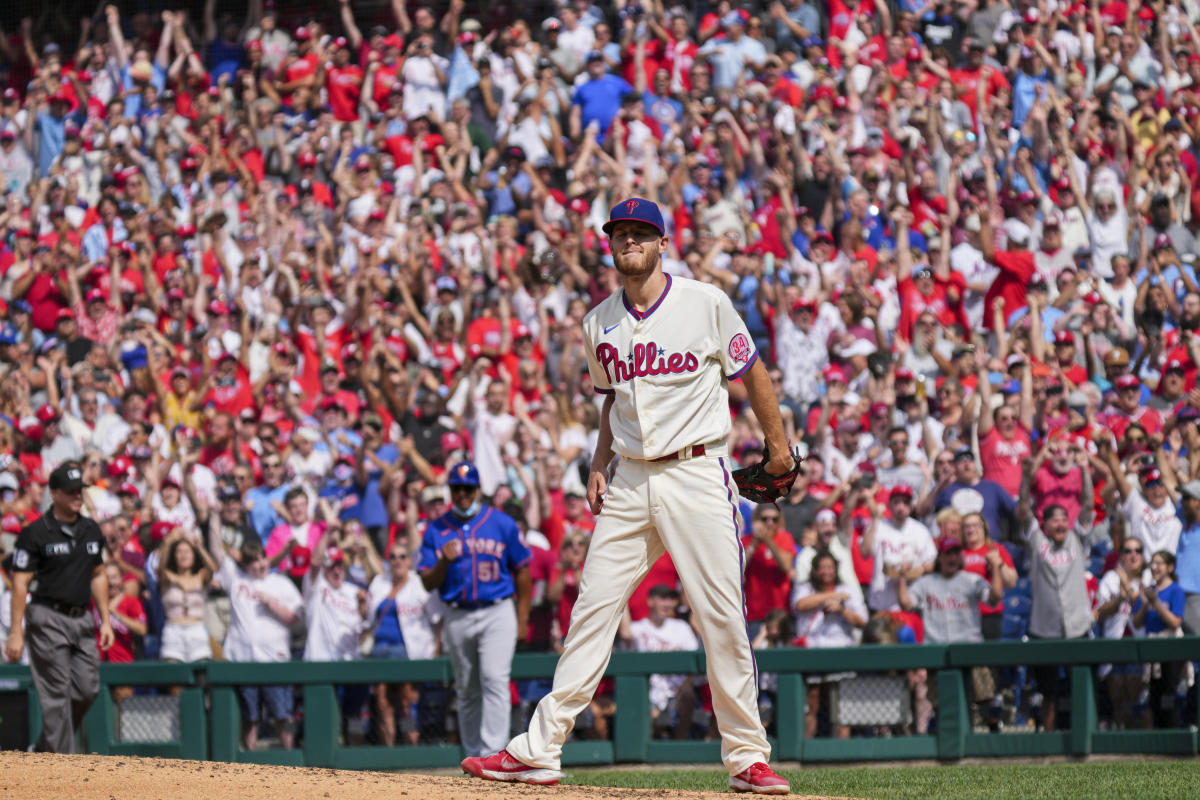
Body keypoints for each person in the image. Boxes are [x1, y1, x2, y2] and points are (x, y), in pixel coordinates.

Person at [462, 198, 795, 794]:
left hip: (696, 470)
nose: (631, 240)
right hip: (631, 478)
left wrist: (778, 448)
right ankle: (540, 749)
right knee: (592, 609)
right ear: (610, 244)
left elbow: (752, 371)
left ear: (663, 243)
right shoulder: (598, 322)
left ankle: (747, 756)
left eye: (643, 232)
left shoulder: (705, 301)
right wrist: (599, 459)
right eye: (622, 232)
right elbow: (612, 397)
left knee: (720, 614)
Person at [419, 461, 532, 759]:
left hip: (497, 611)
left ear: (478, 490)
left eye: (468, 488)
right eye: (456, 488)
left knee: (494, 679)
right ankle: (473, 757)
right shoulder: (436, 529)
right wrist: (443, 561)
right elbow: (427, 582)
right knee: (467, 690)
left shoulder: (502, 523)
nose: (462, 494)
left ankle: (493, 754)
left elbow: (522, 570)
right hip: (457, 613)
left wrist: (522, 620)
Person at [4, 461, 114, 753]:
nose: (78, 496)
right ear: (53, 493)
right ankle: (61, 770)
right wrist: (16, 632)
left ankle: (44, 750)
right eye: (70, 491)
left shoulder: (91, 529)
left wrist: (104, 619)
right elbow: (20, 584)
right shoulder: (36, 533)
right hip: (47, 617)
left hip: (82, 620)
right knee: (56, 695)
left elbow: (99, 574)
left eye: (80, 491)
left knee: (87, 689)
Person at [207, 520, 303, 751]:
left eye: (262, 559)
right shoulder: (237, 580)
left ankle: (290, 757)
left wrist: (273, 605)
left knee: (284, 715)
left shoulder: (281, 583)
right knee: (249, 717)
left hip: (275, 659)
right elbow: (217, 550)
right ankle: (248, 761)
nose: (260, 565)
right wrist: (214, 515)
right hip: (243, 658)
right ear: (245, 565)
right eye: (253, 562)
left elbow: (295, 620)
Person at [367, 539, 442, 746]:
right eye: (393, 557)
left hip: (407, 650)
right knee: (382, 703)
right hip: (380, 649)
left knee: (407, 701)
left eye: (402, 556)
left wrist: (435, 648)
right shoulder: (379, 582)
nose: (397, 561)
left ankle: (412, 747)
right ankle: (389, 752)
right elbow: (368, 618)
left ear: (410, 560)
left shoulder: (420, 584)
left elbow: (437, 619)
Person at [791, 550, 867, 739]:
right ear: (815, 570)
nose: (826, 572)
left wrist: (841, 609)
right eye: (822, 568)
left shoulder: (847, 590)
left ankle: (842, 752)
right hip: (812, 652)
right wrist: (829, 597)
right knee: (811, 702)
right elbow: (799, 605)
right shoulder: (807, 588)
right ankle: (805, 749)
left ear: (835, 569)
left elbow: (862, 620)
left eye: (829, 567)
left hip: (840, 652)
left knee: (841, 705)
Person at [1130, 550, 1187, 729]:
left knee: (1169, 696)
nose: (1154, 567)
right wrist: (1146, 603)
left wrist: (1155, 603)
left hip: (1170, 649)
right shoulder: (1149, 591)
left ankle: (1172, 736)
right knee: (1153, 696)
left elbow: (1175, 621)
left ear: (1170, 567)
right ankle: (1158, 737)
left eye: (1159, 563)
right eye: (1153, 563)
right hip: (1151, 648)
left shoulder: (1176, 591)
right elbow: (1136, 623)